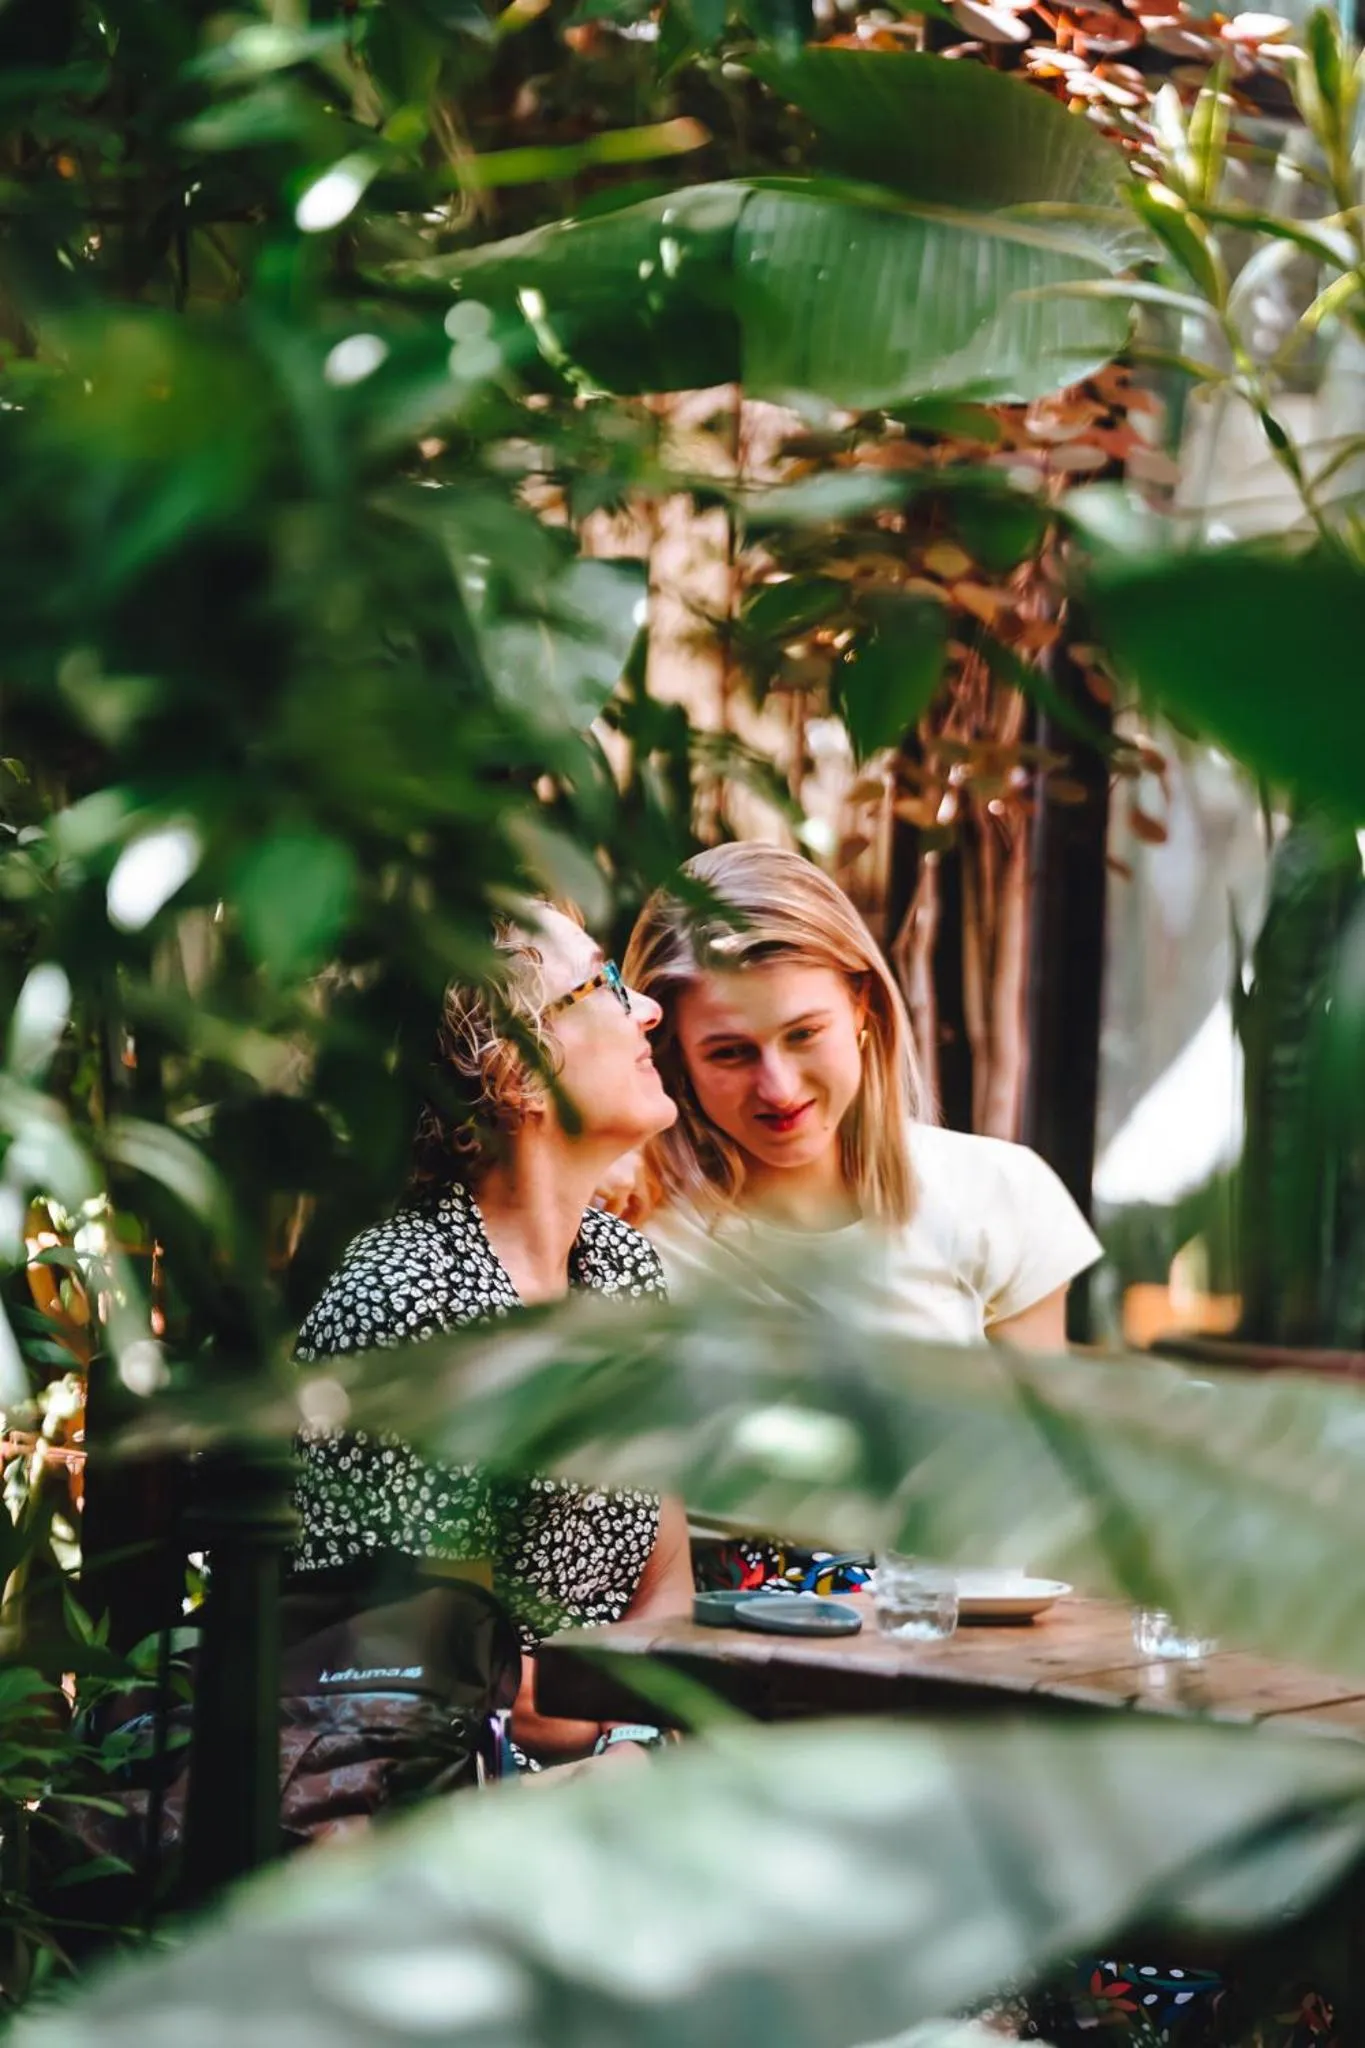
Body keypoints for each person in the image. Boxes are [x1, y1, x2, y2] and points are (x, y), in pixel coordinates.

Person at [291, 901, 694, 1768]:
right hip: (436, 1791)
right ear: (512, 1068)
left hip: (616, 1758)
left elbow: (669, 1586)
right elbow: (440, 1676)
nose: (649, 1009)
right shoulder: (407, 1308)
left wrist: (634, 1738)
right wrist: (633, 1738)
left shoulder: (624, 1270)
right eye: (605, 983)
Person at [620, 841, 1102, 1353]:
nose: (779, 1088)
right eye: (731, 1053)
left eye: (804, 1034)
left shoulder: (997, 1194)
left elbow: (1032, 1431)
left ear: (862, 1008)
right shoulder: (634, 1241)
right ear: (674, 1056)